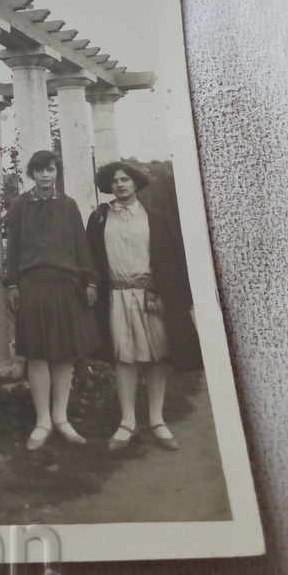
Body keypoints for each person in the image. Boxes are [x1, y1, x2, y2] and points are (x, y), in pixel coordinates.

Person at [86, 161, 202, 452]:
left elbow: (172, 258)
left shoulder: (156, 218)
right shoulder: (99, 218)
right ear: (109, 186)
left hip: (151, 295)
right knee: (123, 357)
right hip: (117, 296)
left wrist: (164, 292)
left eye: (125, 179)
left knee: (157, 356)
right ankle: (127, 421)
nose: (120, 184)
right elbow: (91, 258)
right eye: (115, 181)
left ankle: (157, 420)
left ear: (136, 183)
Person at [5, 149, 98, 450]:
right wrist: (12, 285)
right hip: (32, 286)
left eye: (51, 169)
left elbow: (81, 246)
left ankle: (61, 418)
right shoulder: (20, 206)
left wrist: (89, 281)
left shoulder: (68, 206)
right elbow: (13, 248)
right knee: (37, 354)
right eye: (40, 170)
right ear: (31, 174)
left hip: (65, 285)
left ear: (57, 172)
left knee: (64, 353)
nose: (46, 175)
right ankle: (42, 421)